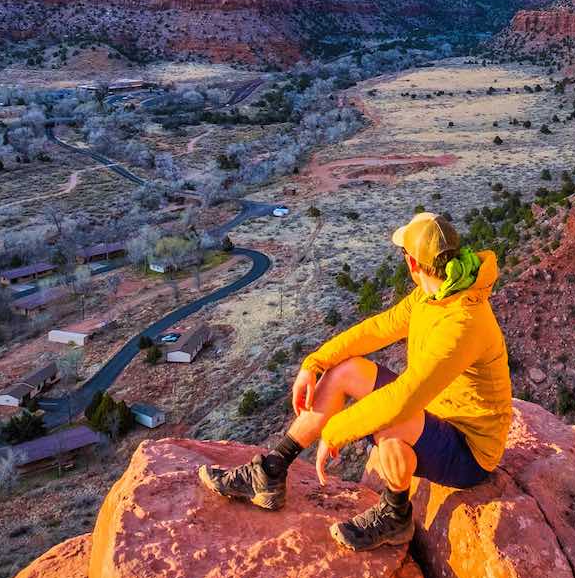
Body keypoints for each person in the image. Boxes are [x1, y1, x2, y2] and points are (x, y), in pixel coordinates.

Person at [198, 211, 511, 549]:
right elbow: (377, 329)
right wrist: (314, 363)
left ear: (412, 264)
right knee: (345, 372)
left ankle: (395, 515)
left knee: (388, 422)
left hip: (469, 452)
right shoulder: (434, 295)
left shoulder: (463, 322)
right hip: (435, 416)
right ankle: (271, 471)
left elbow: (404, 399)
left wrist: (337, 431)